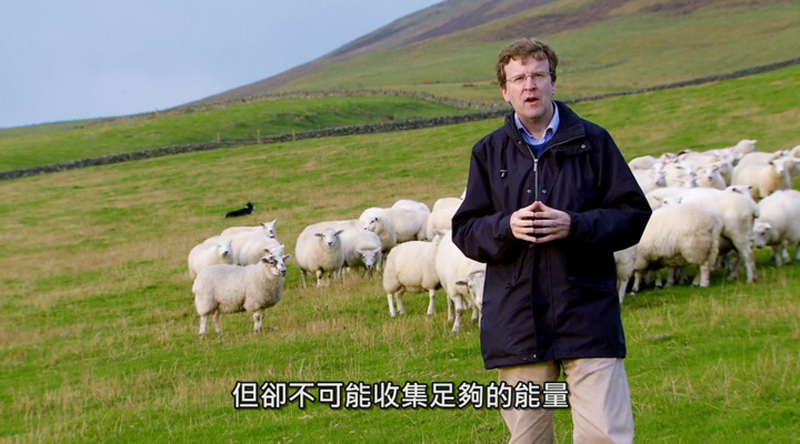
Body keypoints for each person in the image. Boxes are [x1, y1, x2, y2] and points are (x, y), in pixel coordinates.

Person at [451, 37, 652, 444]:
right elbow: (466, 230)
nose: (530, 85)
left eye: (538, 75)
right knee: (529, 440)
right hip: (518, 323)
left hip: (587, 316)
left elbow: (632, 215)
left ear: (553, 82)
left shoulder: (593, 142)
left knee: (605, 437)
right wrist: (507, 226)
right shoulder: (488, 153)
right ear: (505, 91)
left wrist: (575, 225)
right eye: (519, 78)